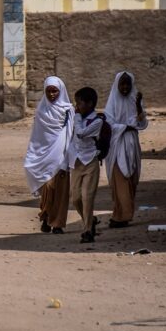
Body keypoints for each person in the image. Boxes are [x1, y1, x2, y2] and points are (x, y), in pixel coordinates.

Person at [24, 77, 73, 235]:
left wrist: (70, 157)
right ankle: (46, 216)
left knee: (60, 190)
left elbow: (71, 133)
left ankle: (58, 223)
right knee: (48, 188)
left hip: (61, 155)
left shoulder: (68, 110)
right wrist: (33, 155)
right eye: (49, 91)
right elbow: (37, 136)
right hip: (43, 155)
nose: (52, 94)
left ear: (61, 91)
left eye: (55, 91)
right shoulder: (41, 110)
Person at [104, 71, 148, 228]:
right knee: (119, 180)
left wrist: (138, 107)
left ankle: (123, 215)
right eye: (122, 84)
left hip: (132, 144)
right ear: (117, 85)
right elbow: (108, 123)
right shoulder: (112, 102)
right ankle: (121, 216)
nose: (125, 87)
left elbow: (142, 124)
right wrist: (125, 126)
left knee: (131, 180)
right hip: (117, 145)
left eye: (127, 84)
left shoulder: (136, 100)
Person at [69, 86, 105, 243]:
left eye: (79, 103)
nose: (77, 107)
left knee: (87, 197)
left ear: (90, 104)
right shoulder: (77, 118)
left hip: (90, 161)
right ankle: (90, 221)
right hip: (77, 161)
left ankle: (87, 230)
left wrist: (76, 117)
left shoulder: (97, 121)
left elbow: (81, 133)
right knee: (75, 198)